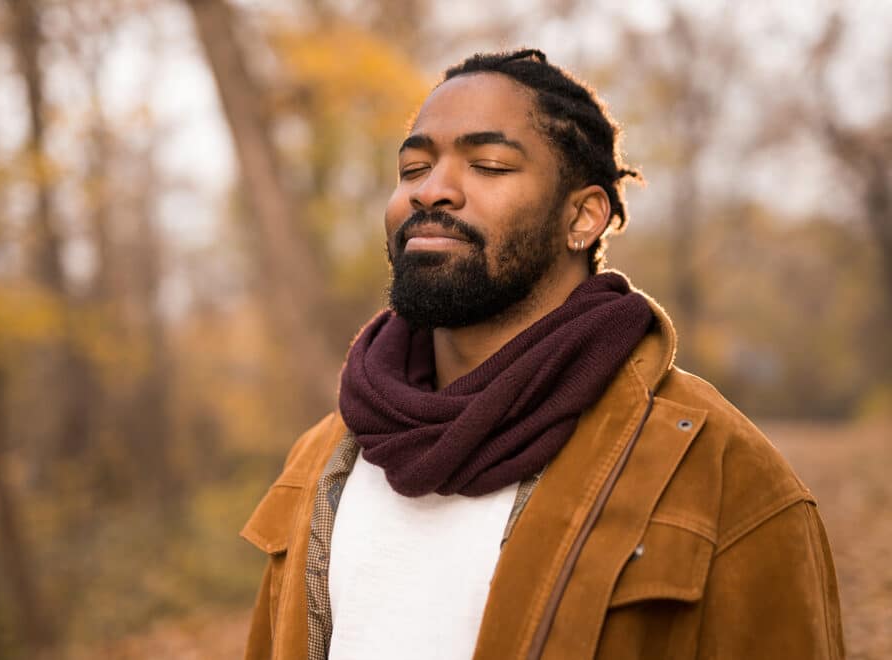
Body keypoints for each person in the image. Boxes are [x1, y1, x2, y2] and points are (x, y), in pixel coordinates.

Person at [240, 49, 844, 660]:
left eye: (489, 165)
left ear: (582, 217)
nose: (433, 191)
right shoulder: (323, 457)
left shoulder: (720, 473)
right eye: (413, 167)